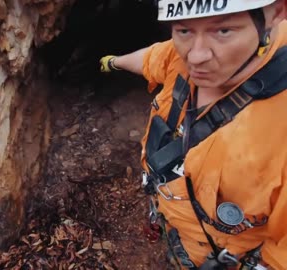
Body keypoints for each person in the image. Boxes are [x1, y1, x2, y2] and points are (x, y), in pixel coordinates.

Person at [99, 0, 287, 269]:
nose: (196, 56)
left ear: (276, 13)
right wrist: (111, 63)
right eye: (184, 30)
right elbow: (152, 58)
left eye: (223, 31)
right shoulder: (182, 57)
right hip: (176, 221)